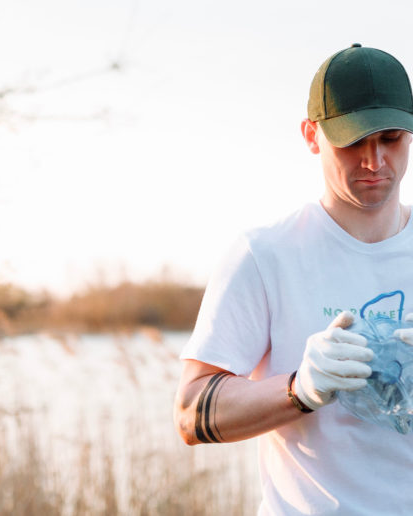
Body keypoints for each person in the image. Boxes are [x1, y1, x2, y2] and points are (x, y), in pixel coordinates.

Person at [173, 43, 413, 515]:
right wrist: (300, 389)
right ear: (311, 135)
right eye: (352, 140)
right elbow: (191, 413)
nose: (374, 161)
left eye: (390, 138)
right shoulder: (265, 255)